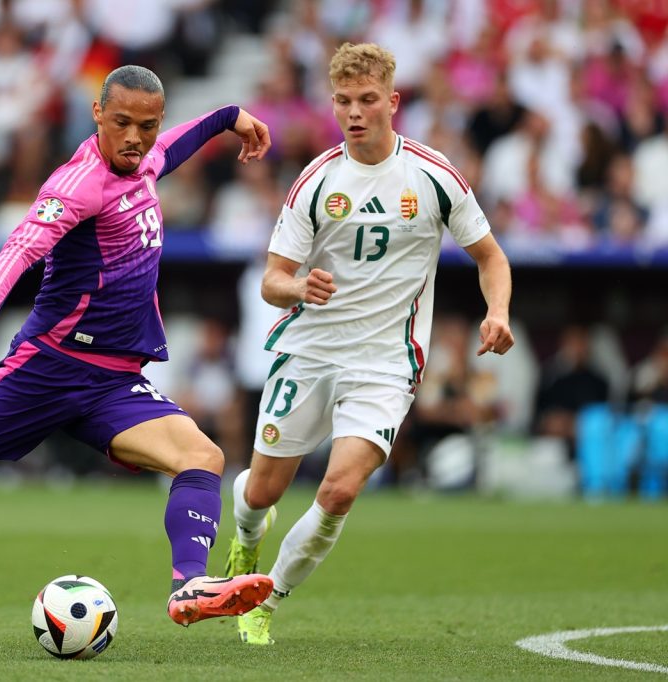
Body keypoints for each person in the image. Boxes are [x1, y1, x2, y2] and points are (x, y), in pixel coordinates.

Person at [0, 65, 274, 627]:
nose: (136, 137)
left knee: (202, 457)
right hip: (46, 370)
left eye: (147, 125)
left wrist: (230, 117)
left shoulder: (147, 158)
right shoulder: (76, 184)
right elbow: (20, 247)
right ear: (98, 114)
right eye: (122, 122)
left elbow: (179, 141)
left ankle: (190, 585)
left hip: (111, 380)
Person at [223, 43, 515, 645]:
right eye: (344, 101)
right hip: (310, 350)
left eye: (367, 100)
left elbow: (490, 256)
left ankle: (265, 599)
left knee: (339, 489)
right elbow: (272, 281)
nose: (355, 112)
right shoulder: (316, 181)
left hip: (386, 363)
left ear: (393, 102)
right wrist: (300, 285)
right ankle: (245, 542)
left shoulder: (434, 177)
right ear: (333, 104)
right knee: (260, 490)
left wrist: (498, 310)